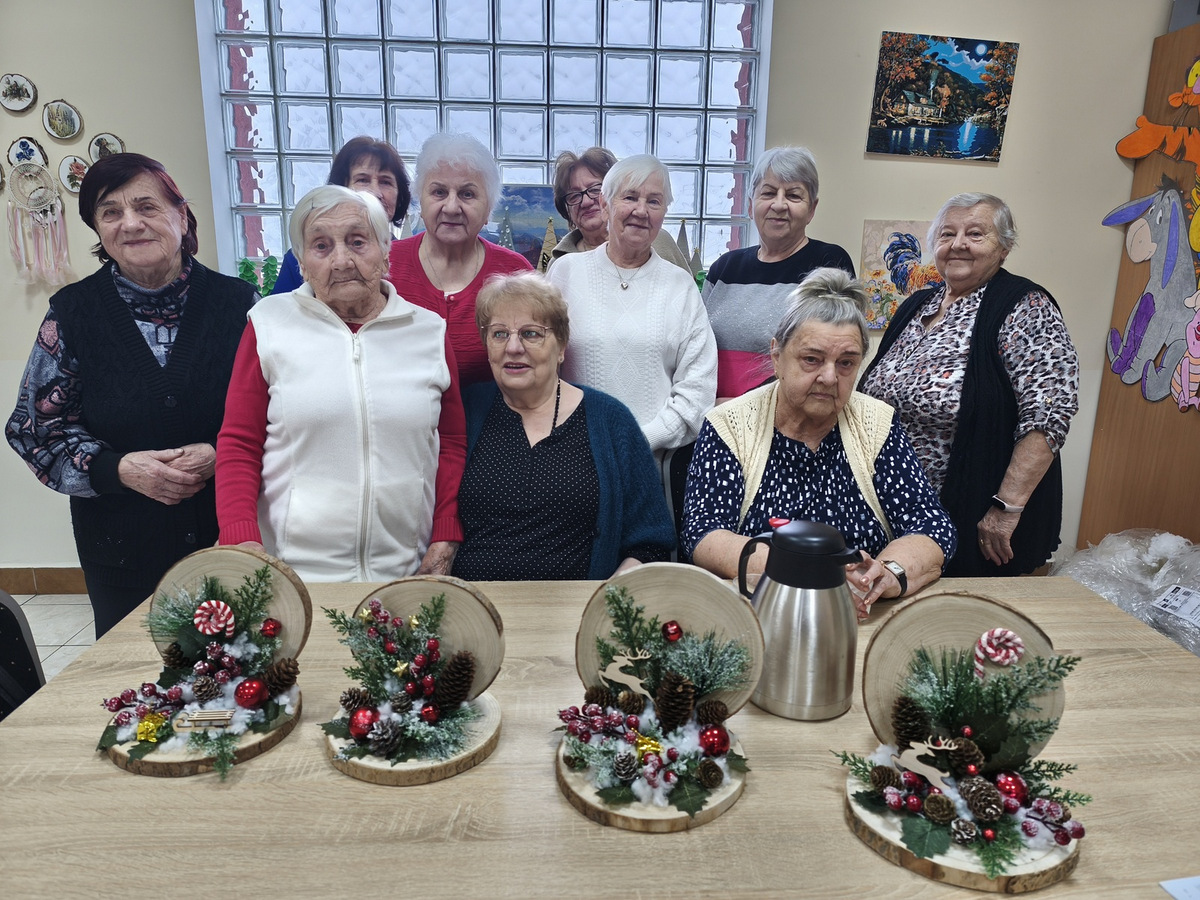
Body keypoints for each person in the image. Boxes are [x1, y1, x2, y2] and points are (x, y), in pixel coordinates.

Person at [5, 153, 256, 637]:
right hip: (122, 551)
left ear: (181, 216)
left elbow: (285, 417)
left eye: (147, 206)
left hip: (233, 541)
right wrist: (118, 469)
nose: (131, 223)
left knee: (242, 686)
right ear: (97, 230)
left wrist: (222, 454)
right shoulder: (73, 315)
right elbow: (34, 431)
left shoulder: (242, 306)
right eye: (110, 212)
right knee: (136, 689)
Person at [216, 186, 466, 581]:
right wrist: (241, 537)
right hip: (292, 573)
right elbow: (239, 442)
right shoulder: (268, 324)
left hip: (405, 570)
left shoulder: (429, 330)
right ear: (301, 263)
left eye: (357, 241)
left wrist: (445, 534)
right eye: (321, 245)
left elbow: (450, 443)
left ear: (386, 252)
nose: (342, 260)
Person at [683, 268, 955, 619]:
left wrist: (887, 573)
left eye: (846, 363)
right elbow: (703, 534)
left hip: (861, 617)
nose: (829, 377)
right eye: (812, 359)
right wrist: (813, 575)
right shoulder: (730, 425)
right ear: (777, 356)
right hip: (758, 615)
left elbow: (931, 526)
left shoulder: (878, 424)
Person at [859, 193, 1079, 577]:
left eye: (975, 234)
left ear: (1004, 247)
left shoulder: (1024, 305)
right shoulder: (917, 305)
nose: (958, 244)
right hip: (897, 514)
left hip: (971, 514)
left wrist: (1005, 508)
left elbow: (1049, 413)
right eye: (947, 234)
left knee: (963, 626)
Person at [453, 273, 675, 580]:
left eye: (531, 334)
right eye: (499, 334)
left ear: (561, 347)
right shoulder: (462, 413)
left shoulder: (611, 421)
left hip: (577, 615)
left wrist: (604, 603)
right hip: (472, 612)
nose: (513, 347)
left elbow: (650, 543)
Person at [547, 154, 717, 458]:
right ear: (605, 204)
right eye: (630, 197)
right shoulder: (565, 273)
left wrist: (639, 440)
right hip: (572, 457)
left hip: (652, 463)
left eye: (654, 201)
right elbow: (544, 369)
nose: (641, 210)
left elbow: (698, 390)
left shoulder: (680, 286)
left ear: (664, 212)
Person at [702, 146, 855, 400]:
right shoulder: (724, 268)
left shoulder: (829, 264)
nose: (779, 204)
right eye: (769, 193)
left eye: (794, 196)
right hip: (712, 419)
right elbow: (696, 348)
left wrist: (742, 407)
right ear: (751, 206)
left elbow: (831, 357)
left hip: (786, 422)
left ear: (812, 209)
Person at [388, 133, 533, 385]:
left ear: (488, 210)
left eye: (467, 194)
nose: (452, 207)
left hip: (493, 423)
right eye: (439, 192)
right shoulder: (384, 263)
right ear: (420, 201)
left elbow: (536, 366)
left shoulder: (515, 273)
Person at [270, 136, 411, 295]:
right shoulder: (300, 260)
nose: (375, 193)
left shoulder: (411, 260)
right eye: (363, 180)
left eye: (386, 182)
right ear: (340, 188)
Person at [548, 146, 691, 272]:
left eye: (595, 189)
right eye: (573, 196)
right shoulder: (559, 265)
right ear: (566, 209)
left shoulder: (660, 242)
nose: (585, 202)